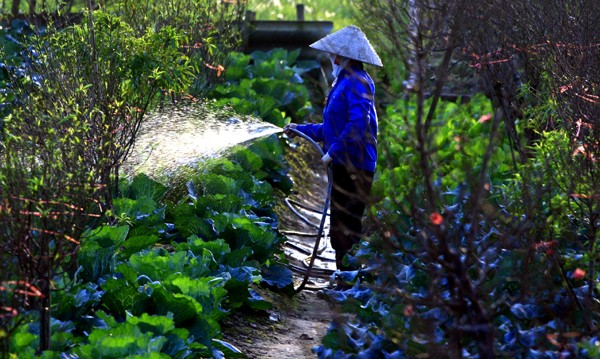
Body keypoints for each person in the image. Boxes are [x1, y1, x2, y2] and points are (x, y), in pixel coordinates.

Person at [284, 25, 382, 273]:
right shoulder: (344, 82)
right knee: (339, 221)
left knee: (347, 222)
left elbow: (358, 124)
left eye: (334, 54)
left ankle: (348, 278)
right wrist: (301, 129)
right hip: (344, 162)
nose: (331, 58)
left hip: (355, 164)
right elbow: (331, 127)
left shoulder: (358, 82)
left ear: (344, 56)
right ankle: (343, 275)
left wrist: (333, 152)